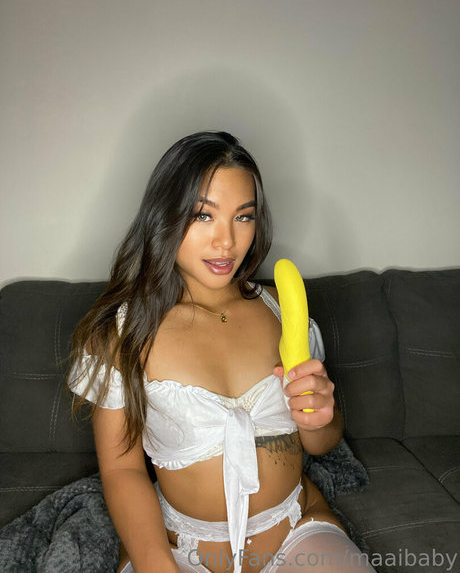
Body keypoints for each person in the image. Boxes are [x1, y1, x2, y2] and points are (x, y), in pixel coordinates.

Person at [68, 131, 375, 573]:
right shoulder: (122, 334)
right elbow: (122, 471)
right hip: (179, 551)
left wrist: (322, 418)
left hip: (297, 530)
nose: (227, 241)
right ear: (165, 215)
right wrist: (157, 565)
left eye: (243, 216)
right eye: (203, 215)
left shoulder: (283, 313)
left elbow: (321, 442)